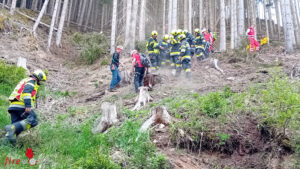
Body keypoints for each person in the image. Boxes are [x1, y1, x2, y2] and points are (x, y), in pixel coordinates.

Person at [4, 70, 47, 145]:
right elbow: (26, 92)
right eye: (41, 80)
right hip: (21, 105)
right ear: (38, 76)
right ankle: (12, 128)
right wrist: (28, 105)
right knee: (33, 119)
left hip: (13, 106)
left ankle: (6, 144)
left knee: (17, 126)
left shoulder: (25, 80)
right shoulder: (32, 81)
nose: (41, 82)